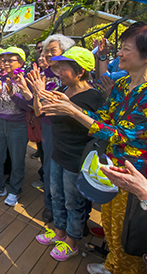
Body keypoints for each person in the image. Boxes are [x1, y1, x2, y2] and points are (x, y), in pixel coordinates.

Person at [39, 23, 147, 274]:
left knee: (128, 235)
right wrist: (71, 107)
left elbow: (123, 135)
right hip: (109, 168)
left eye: (126, 48)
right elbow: (103, 118)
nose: (119, 54)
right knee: (112, 228)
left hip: (134, 176)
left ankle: (122, 269)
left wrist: (73, 111)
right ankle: (112, 265)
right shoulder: (124, 84)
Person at [32, 47, 104, 261]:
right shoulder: (62, 90)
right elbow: (39, 112)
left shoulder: (93, 97)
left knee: (74, 201)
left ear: (80, 71)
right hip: (58, 154)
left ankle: (72, 241)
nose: (59, 70)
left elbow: (98, 127)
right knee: (56, 195)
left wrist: (71, 108)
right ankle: (60, 232)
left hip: (77, 158)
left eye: (64, 67)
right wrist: (38, 91)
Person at [31, 34, 74, 223]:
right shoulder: (43, 75)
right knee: (50, 169)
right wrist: (34, 91)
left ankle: (72, 214)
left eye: (52, 51)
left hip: (73, 129)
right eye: (45, 51)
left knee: (70, 173)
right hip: (50, 127)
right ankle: (50, 206)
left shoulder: (72, 74)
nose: (47, 54)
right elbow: (38, 110)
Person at [0, 47, 33, 206]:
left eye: (9, 60)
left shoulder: (26, 81)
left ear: (20, 62)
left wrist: (13, 94)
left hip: (18, 125)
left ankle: (14, 190)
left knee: (17, 160)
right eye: (3, 60)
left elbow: (29, 106)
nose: (4, 63)